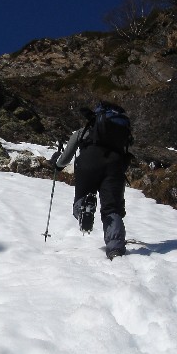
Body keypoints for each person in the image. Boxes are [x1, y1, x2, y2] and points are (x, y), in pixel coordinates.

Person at [50, 101, 132, 260]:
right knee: (112, 208)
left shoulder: (85, 131)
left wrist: (57, 165)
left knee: (81, 199)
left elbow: (65, 157)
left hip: (88, 162)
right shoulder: (120, 132)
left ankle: (84, 208)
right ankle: (115, 248)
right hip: (114, 166)